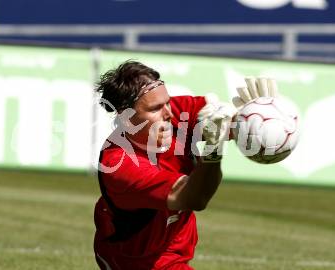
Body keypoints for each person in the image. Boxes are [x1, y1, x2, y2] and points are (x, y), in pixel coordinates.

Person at [93, 60, 277, 269]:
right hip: (140, 262)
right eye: (155, 109)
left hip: (173, 249)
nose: (169, 113)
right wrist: (212, 150)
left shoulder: (173, 115)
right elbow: (194, 198)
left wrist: (255, 115)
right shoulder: (120, 164)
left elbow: (224, 123)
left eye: (167, 102)